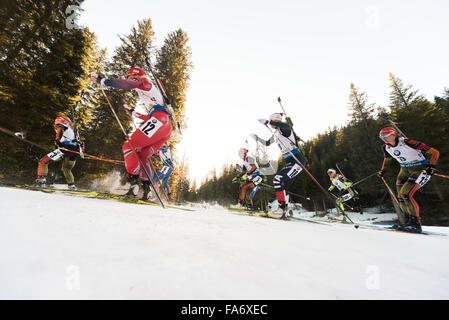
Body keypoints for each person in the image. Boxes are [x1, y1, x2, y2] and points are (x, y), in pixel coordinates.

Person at [90, 68, 172, 196]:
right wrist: (134, 113)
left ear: (138, 76)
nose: (130, 79)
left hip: (159, 120)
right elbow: (153, 115)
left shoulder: (145, 83)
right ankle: (146, 190)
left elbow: (128, 84)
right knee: (142, 154)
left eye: (132, 77)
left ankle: (132, 184)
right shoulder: (148, 91)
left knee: (129, 146)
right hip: (164, 126)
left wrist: (104, 81)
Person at [377, 128, 440, 232]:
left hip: (420, 169)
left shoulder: (407, 142)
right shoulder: (385, 147)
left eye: (385, 136)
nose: (384, 139)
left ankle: (416, 224)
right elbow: (387, 159)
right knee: (400, 197)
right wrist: (383, 170)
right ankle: (408, 222)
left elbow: (435, 152)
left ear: (393, 134)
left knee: (405, 194)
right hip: (404, 170)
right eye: (381, 137)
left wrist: (432, 166)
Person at [251, 113, 306, 218]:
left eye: (271, 120)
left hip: (297, 160)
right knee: (283, 185)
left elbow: (286, 125)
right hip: (290, 162)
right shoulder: (276, 133)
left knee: (277, 180)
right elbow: (267, 143)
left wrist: (268, 122)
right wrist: (257, 138)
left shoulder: (285, 129)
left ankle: (281, 209)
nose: (270, 123)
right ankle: (284, 209)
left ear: (275, 120)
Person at [36, 116, 83, 189]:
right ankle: (71, 186)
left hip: (64, 149)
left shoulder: (62, 125)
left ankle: (41, 182)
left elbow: (60, 130)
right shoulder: (72, 131)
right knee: (66, 169)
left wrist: (57, 140)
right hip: (74, 151)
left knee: (43, 162)